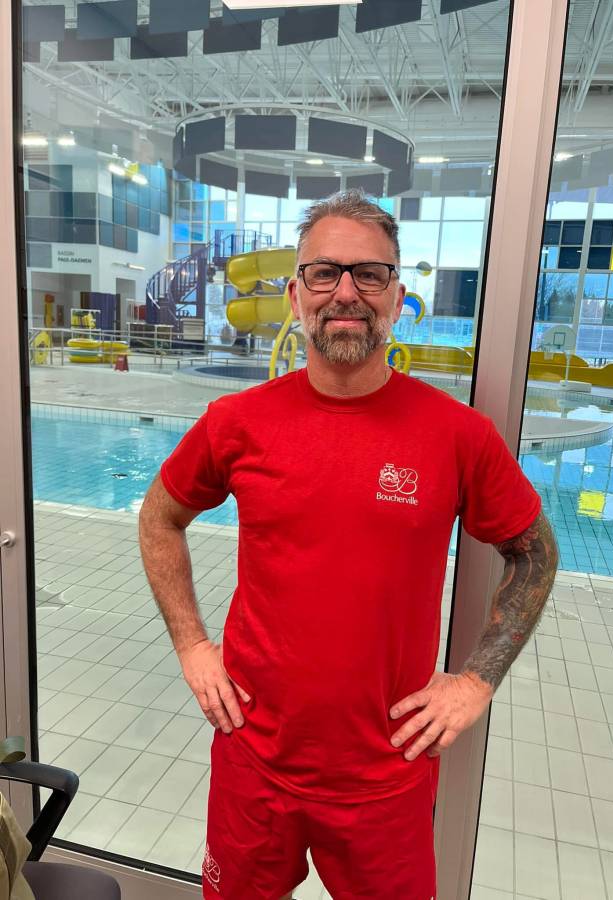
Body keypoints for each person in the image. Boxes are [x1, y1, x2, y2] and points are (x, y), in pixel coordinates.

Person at [139, 189, 558, 900]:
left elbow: (535, 551)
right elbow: (159, 517)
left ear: (396, 296)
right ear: (295, 294)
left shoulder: (456, 435)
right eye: (324, 272)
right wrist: (192, 646)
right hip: (254, 761)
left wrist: (475, 682)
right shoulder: (236, 422)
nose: (345, 293)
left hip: (385, 776)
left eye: (369, 274)